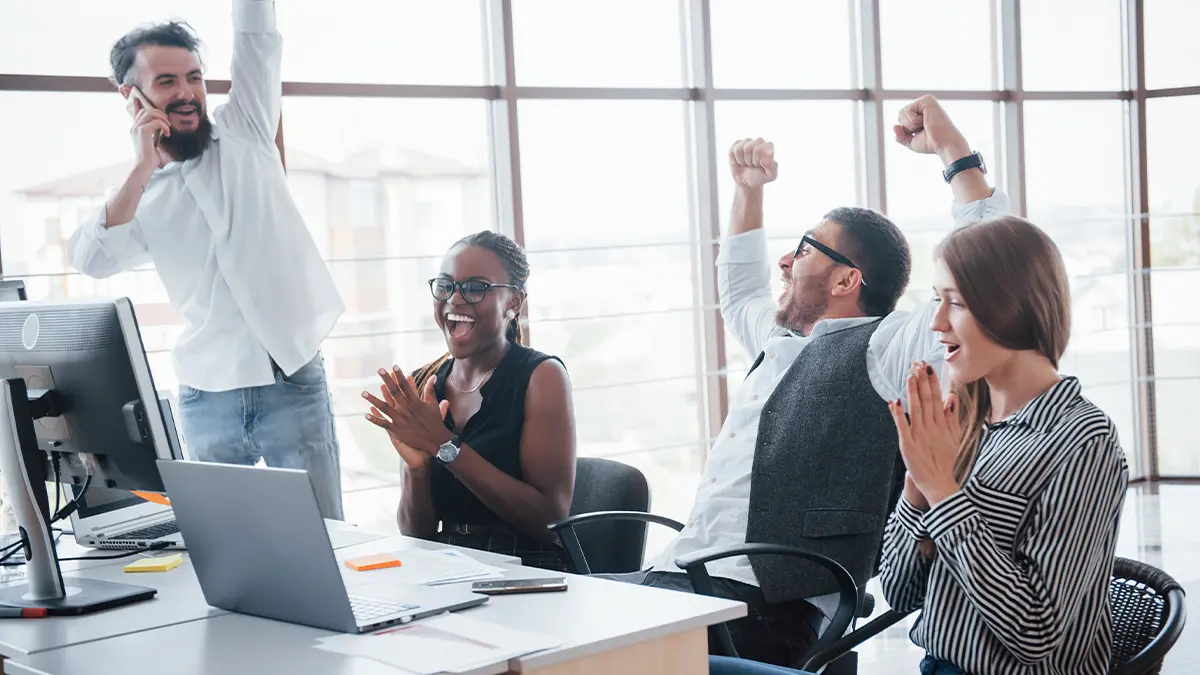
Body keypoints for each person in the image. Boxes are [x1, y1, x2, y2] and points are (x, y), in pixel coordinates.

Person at [600, 95, 1010, 667]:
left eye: (802, 250)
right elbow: (739, 290)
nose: (785, 264)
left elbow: (992, 269)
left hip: (767, 604)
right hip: (680, 576)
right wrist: (748, 190)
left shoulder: (887, 346)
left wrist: (954, 153)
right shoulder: (779, 338)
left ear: (847, 279)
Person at [708, 131, 1129, 675]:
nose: (934, 321)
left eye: (951, 303)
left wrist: (942, 492)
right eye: (939, 301)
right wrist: (916, 489)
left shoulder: (1079, 440)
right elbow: (905, 590)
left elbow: (1036, 633)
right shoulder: (971, 429)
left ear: (1008, 308)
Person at [67, 2, 345, 520]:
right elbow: (91, 259)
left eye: (194, 77)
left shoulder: (245, 129)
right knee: (229, 546)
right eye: (167, 81)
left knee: (326, 538)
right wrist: (141, 166)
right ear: (132, 96)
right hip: (204, 395)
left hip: (291, 380)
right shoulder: (139, 194)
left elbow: (257, 34)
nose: (187, 92)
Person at [363, 231, 576, 571]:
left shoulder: (541, 376)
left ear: (513, 303)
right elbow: (416, 533)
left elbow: (548, 522)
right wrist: (417, 469)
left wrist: (445, 446)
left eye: (475, 288)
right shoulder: (425, 384)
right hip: (446, 567)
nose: (454, 301)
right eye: (445, 286)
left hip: (527, 569)